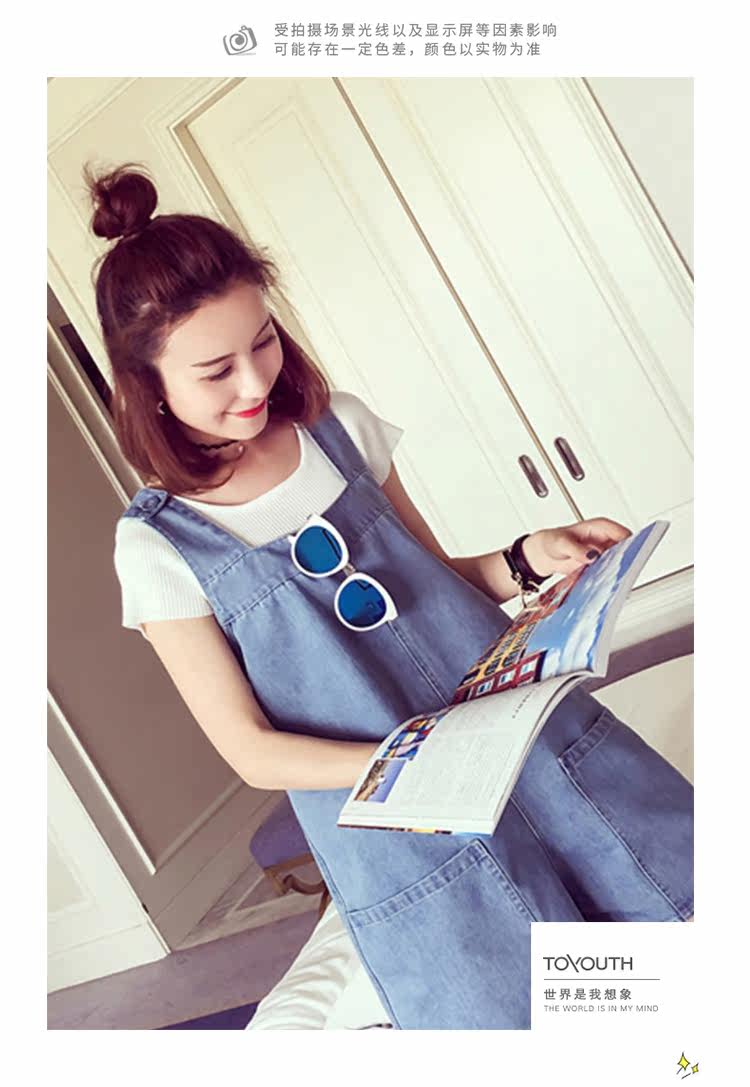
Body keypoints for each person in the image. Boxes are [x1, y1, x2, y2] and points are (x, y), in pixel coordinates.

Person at [88, 162, 694, 1030]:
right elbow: (253, 751)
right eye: (216, 370)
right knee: (525, 1021)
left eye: (263, 341)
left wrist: (530, 555)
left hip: (531, 745)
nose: (255, 383)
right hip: (402, 827)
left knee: (681, 943)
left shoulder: (339, 429)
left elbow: (436, 581)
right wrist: (416, 765)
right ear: (146, 383)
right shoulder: (159, 547)